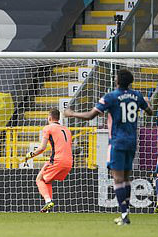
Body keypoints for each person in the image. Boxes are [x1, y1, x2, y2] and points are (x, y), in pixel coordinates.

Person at [64, 69, 153, 225]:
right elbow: (150, 112)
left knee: (117, 178)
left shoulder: (110, 97)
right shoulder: (137, 96)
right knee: (126, 178)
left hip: (117, 142)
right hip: (132, 142)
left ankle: (124, 215)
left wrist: (72, 113)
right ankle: (125, 213)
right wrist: (147, 101)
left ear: (117, 81)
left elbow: (90, 115)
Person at [25, 109, 73, 212]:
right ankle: (48, 208)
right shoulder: (67, 129)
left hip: (57, 160)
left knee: (39, 179)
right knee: (48, 181)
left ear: (49, 118)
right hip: (69, 162)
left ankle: (47, 201)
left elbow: (42, 148)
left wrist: (31, 155)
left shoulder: (48, 128)